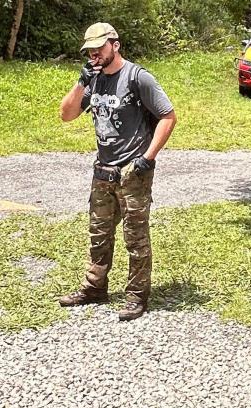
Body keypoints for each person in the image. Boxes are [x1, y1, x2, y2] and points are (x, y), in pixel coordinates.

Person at [57, 22, 176, 321]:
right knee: (99, 233)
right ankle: (94, 287)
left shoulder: (138, 77)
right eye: (90, 50)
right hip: (103, 169)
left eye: (100, 47)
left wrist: (147, 158)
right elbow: (66, 115)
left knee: (135, 237)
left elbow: (168, 116)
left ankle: (137, 295)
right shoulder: (92, 79)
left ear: (115, 45)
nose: (94, 54)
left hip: (133, 170)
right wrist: (81, 82)